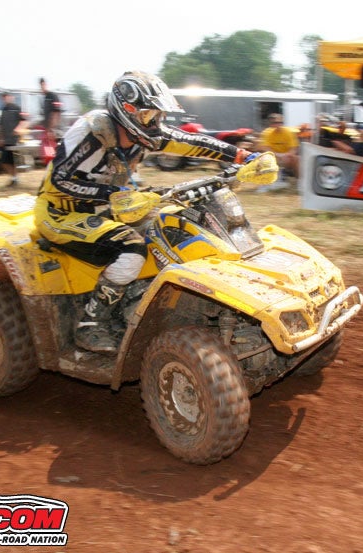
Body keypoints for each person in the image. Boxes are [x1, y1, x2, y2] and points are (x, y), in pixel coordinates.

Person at [34, 70, 271, 354]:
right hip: (61, 213)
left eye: (159, 116)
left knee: (176, 225)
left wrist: (245, 157)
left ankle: (143, 299)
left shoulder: (146, 136)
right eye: (150, 116)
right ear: (127, 110)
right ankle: (91, 323)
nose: (156, 123)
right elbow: (60, 180)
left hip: (112, 209)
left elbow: (193, 143)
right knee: (132, 248)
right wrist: (114, 195)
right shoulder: (94, 131)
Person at [257, 113, 299, 191]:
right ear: (271, 124)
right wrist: (278, 155)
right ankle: (264, 184)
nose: (278, 125)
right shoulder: (266, 133)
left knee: (296, 159)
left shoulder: (289, 132)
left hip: (287, 157)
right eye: (275, 123)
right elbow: (265, 148)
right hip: (274, 156)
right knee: (262, 158)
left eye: (280, 123)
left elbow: (294, 149)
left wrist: (286, 155)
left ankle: (300, 182)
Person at [0, 91, 29, 187]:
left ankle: (15, 179)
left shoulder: (17, 108)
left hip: (15, 140)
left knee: (12, 161)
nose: (5, 99)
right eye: (3, 97)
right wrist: (0, 138)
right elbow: (1, 125)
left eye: (7, 97)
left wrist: (18, 129)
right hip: (6, 140)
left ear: (11, 97)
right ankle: (14, 178)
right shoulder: (3, 110)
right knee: (4, 162)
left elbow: (24, 121)